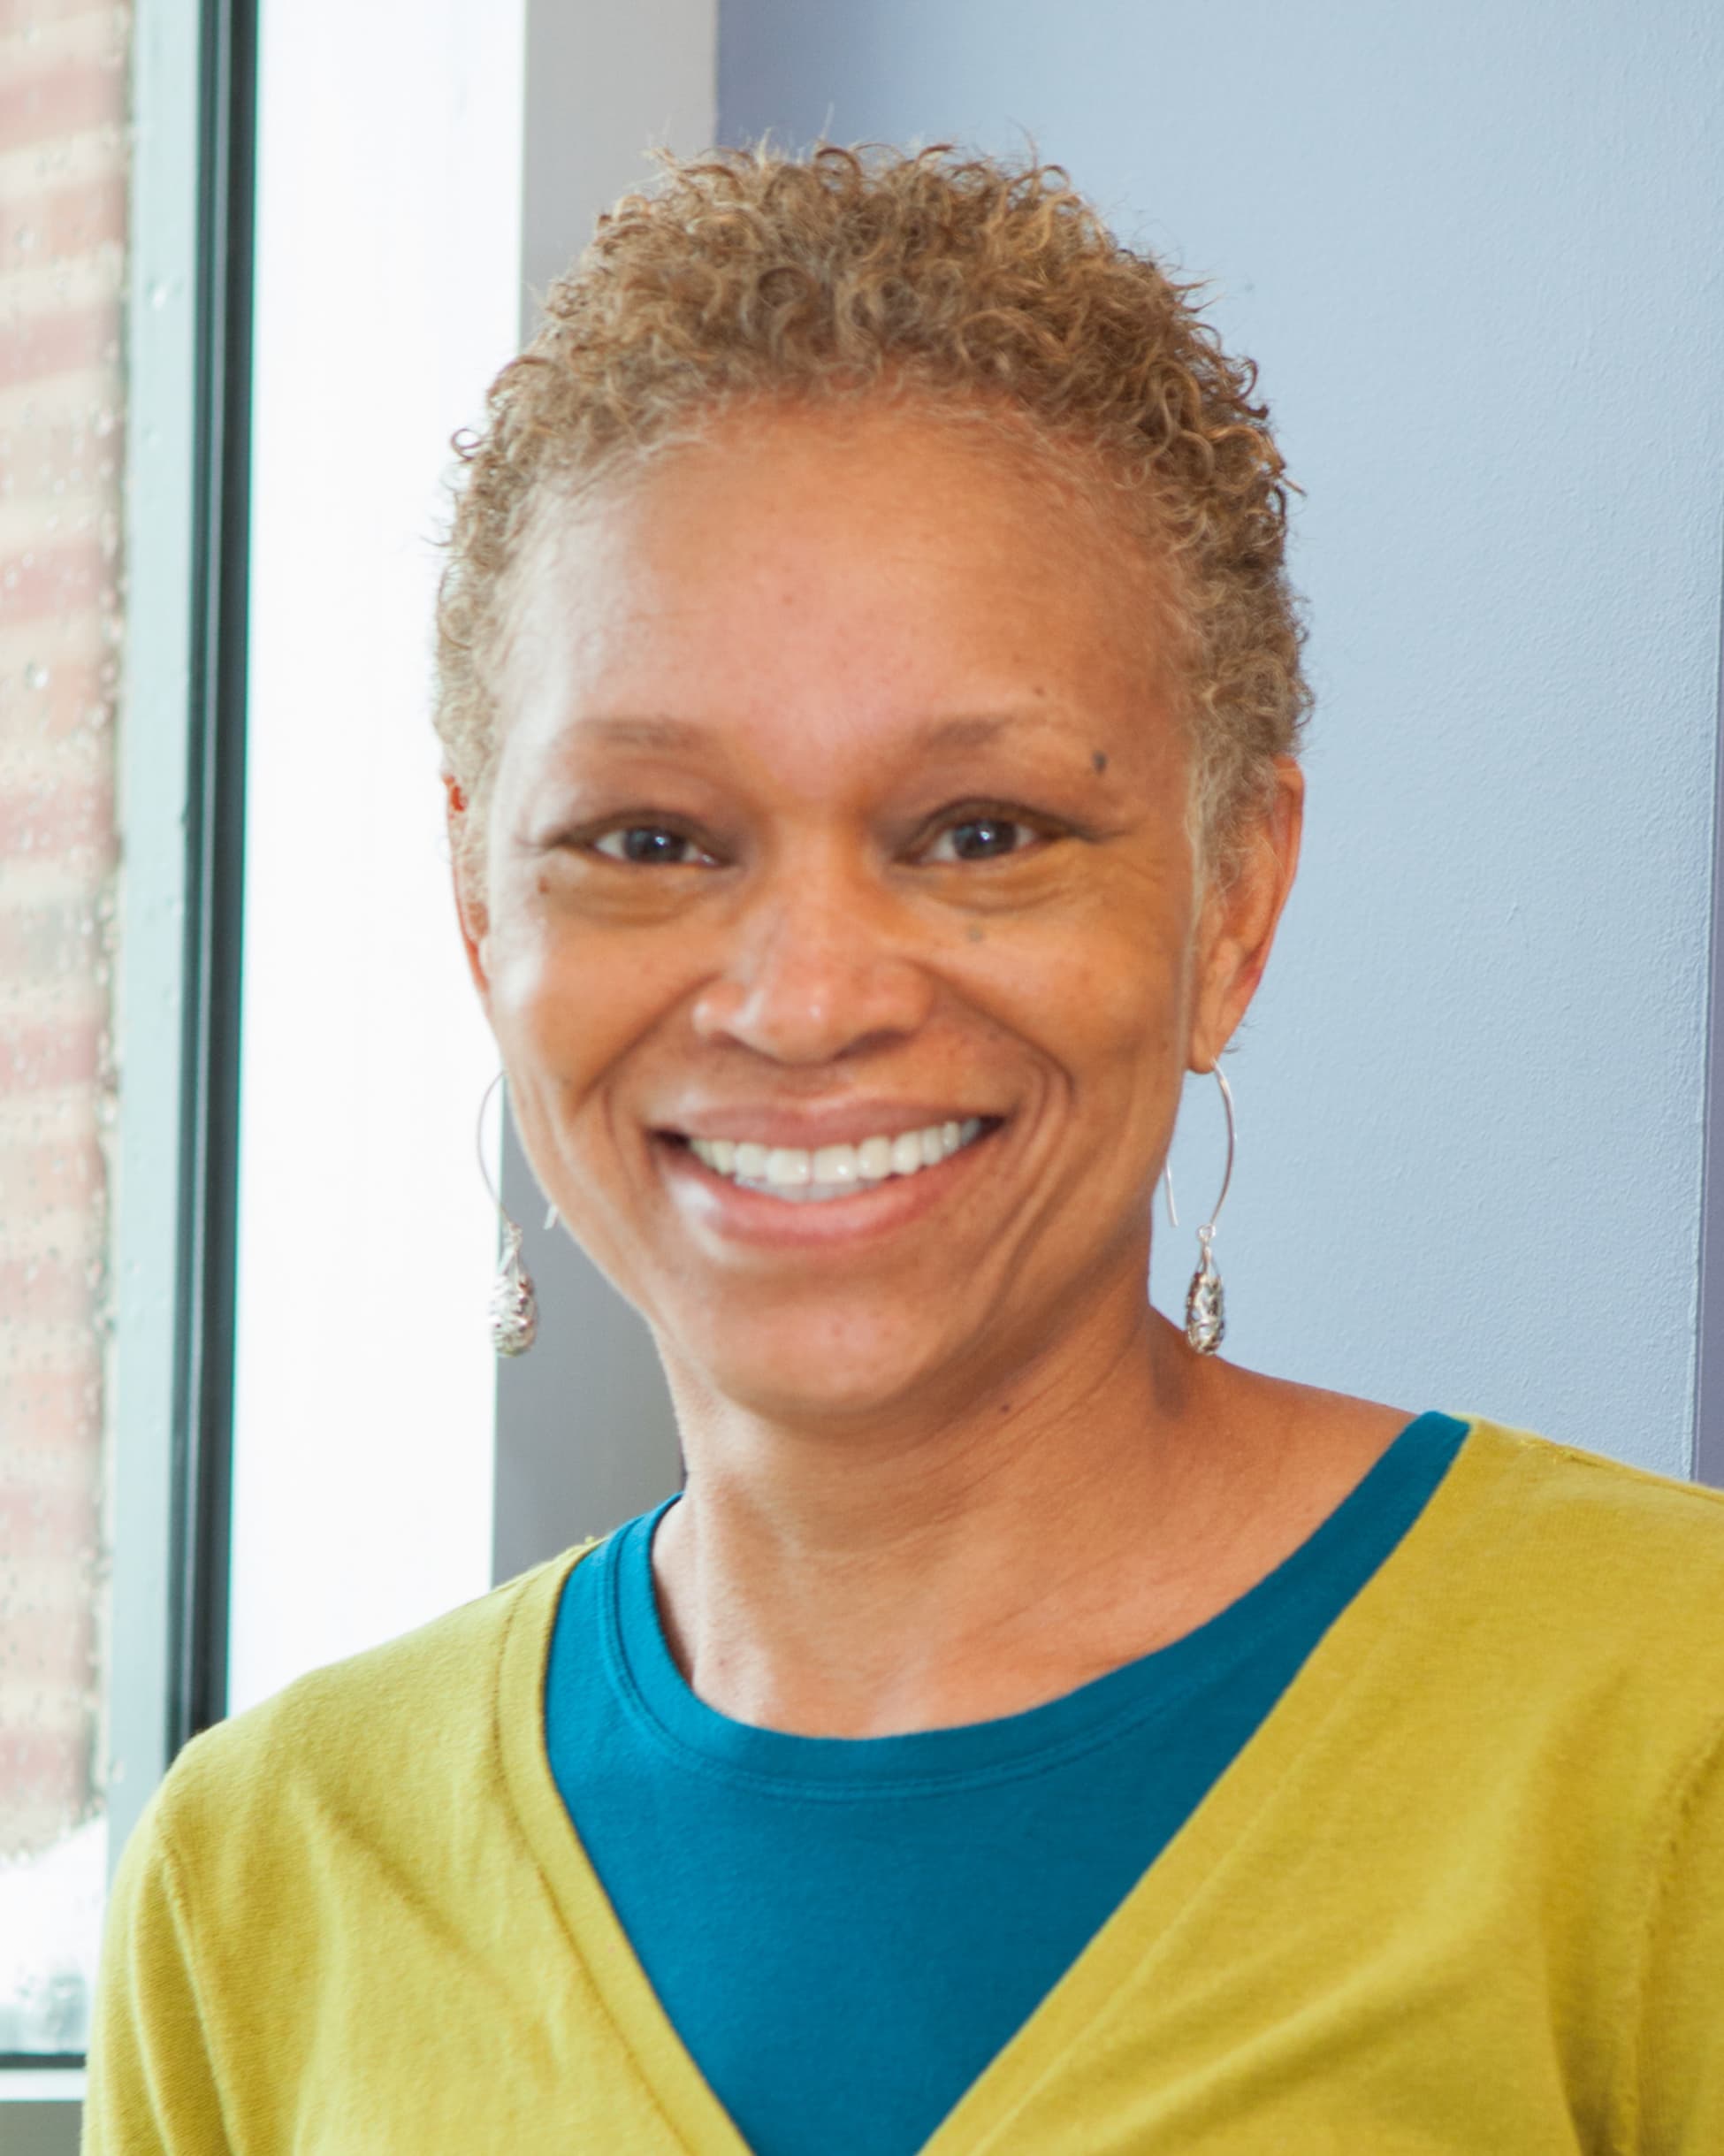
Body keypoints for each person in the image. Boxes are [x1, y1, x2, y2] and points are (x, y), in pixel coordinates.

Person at [86, 145, 1724, 2154]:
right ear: (479, 913)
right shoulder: (261, 1880)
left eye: (980, 832)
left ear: (1232, 903)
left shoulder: (1672, 1724)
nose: (806, 1000)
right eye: (652, 839)